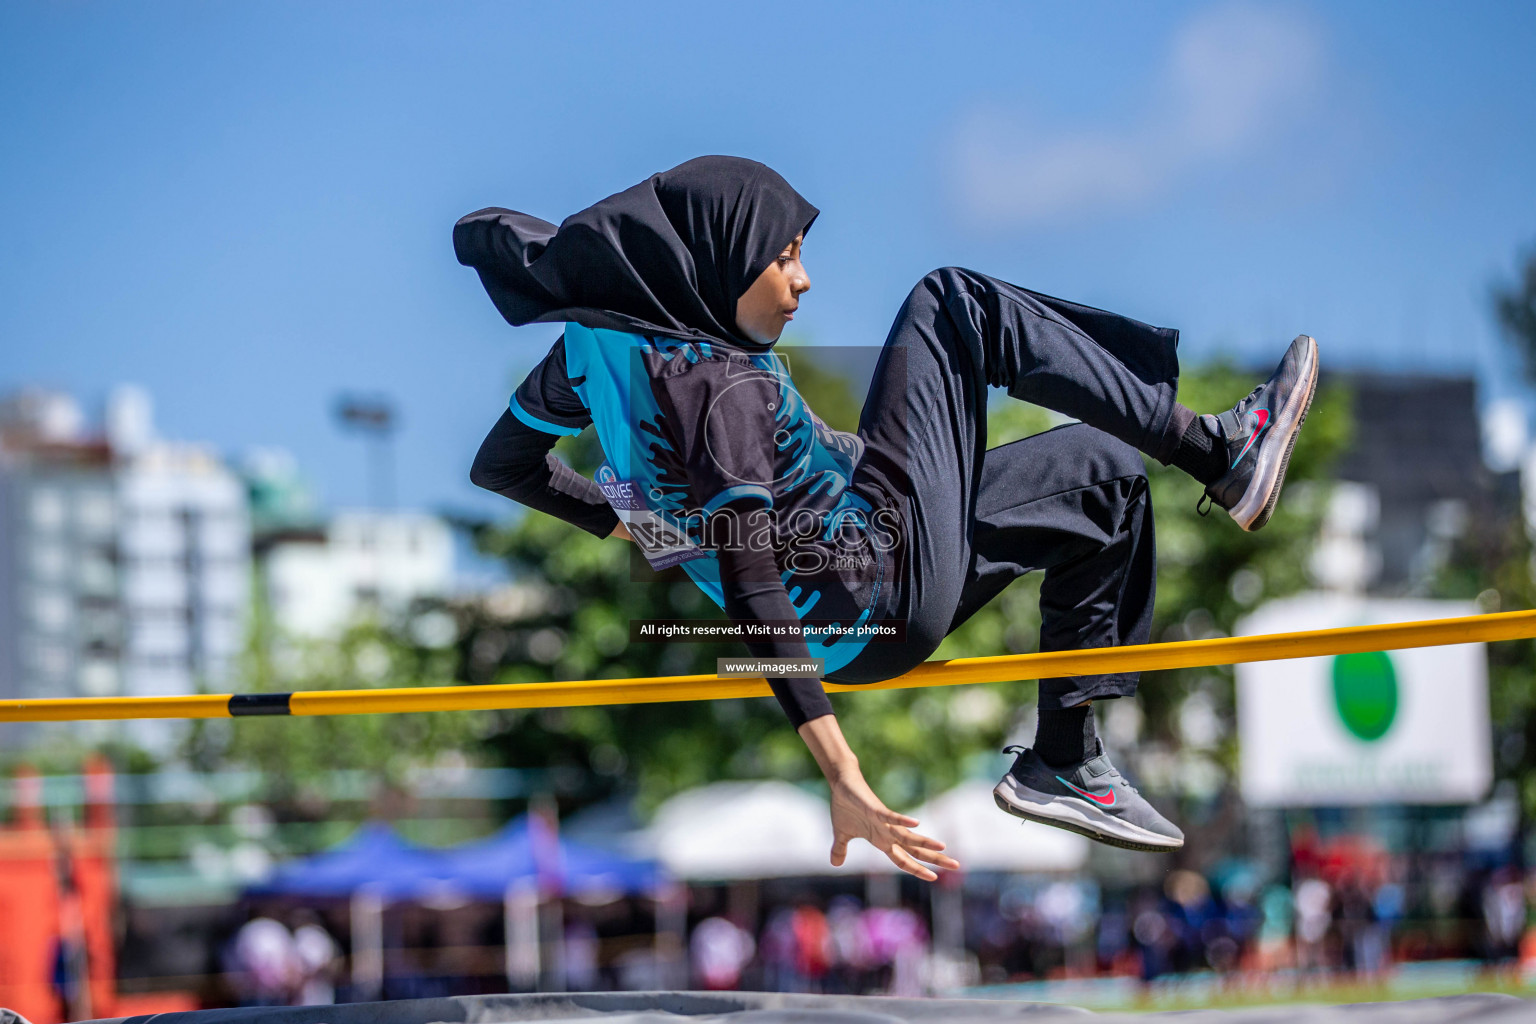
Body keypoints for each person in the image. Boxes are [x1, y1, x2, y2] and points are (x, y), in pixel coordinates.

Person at [459, 156, 1317, 878]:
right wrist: (843, 770)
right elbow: (757, 587)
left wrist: (648, 529)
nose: (802, 280)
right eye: (783, 257)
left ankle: (1068, 756)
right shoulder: (721, 385)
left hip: (866, 598)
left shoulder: (586, 353)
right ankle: (1218, 454)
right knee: (953, 303)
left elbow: (504, 466)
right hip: (874, 588)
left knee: (1103, 475)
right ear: (718, 260)